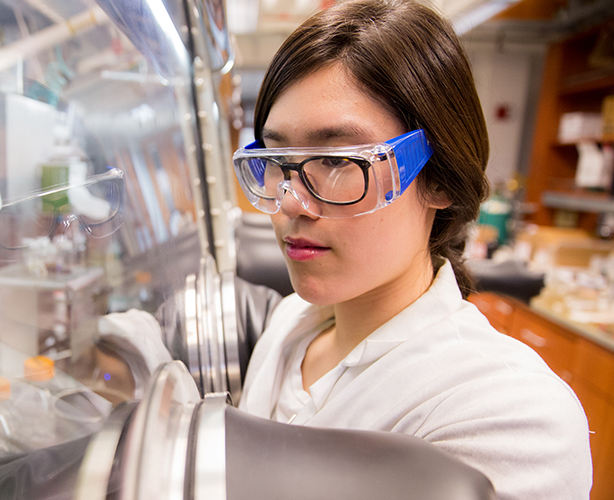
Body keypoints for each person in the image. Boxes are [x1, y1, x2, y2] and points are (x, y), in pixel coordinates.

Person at [232, 0, 592, 498]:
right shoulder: (290, 325)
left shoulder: (514, 414)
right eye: (277, 159)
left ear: (438, 178)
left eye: (337, 161)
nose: (290, 202)